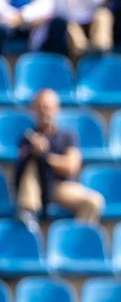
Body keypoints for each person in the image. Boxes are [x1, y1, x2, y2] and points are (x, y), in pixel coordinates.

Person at [13, 88, 103, 225]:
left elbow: (71, 166)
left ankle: (75, 240)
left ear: (56, 109)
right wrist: (34, 151)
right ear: (33, 110)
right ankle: (28, 214)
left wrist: (45, 156)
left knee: (94, 201)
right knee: (31, 163)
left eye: (48, 107)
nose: (44, 111)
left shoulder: (67, 136)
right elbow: (19, 172)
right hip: (36, 188)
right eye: (40, 107)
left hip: (60, 187)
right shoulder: (27, 138)